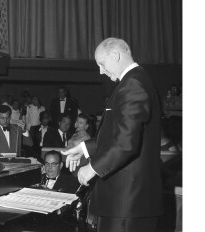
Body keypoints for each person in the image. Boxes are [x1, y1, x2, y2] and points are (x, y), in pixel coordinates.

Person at [62, 38, 163, 232]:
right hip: (127, 203)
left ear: (115, 55)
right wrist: (83, 148)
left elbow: (125, 143)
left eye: (102, 64)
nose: (101, 71)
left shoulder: (133, 84)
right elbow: (117, 134)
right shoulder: (135, 80)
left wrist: (93, 168)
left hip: (127, 203)